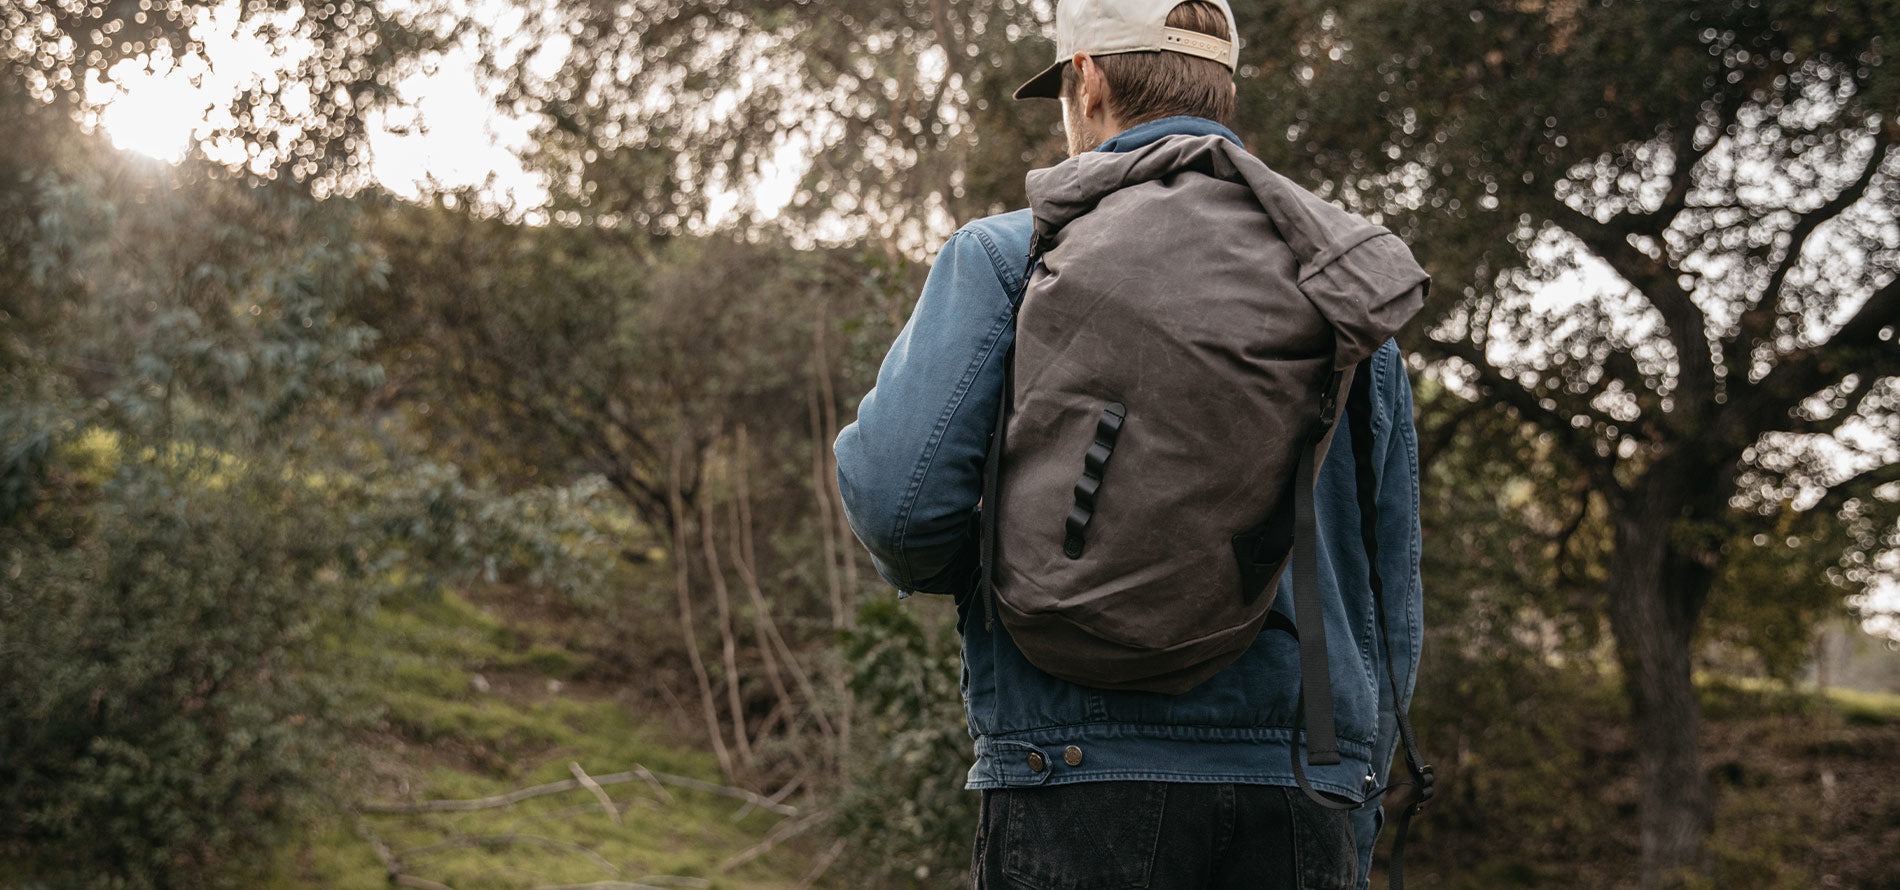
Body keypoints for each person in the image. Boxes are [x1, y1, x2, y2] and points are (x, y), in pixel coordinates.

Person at [833, 0, 1424, 887]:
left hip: (1070, 767)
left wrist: (1015, 559)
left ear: (1089, 80)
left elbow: (898, 507)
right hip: (1303, 784)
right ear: (1221, 85)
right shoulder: (1344, 283)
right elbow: (1389, 596)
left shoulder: (1010, 257)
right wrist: (1354, 789)